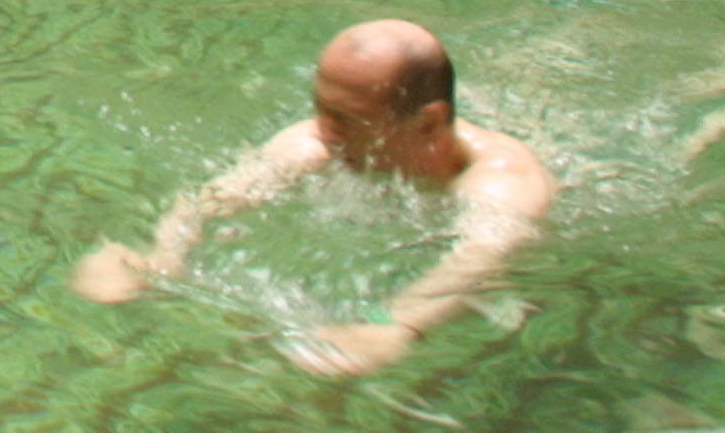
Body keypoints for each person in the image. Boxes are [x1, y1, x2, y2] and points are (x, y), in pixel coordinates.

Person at [72, 19, 557, 376]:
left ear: (428, 122)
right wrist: (159, 257)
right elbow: (211, 200)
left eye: (345, 118)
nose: (322, 133)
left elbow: (480, 257)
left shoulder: (501, 180)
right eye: (321, 109)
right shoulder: (317, 142)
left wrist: (391, 325)